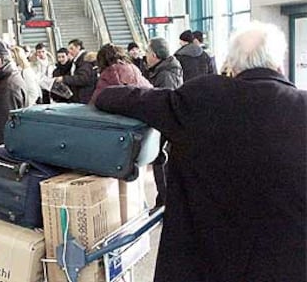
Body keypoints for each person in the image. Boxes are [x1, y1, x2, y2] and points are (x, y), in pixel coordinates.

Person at [95, 21, 306, 282]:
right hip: (288, 265)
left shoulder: (202, 97)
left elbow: (113, 98)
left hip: (203, 264)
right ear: (279, 64)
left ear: (233, 64)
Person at [144, 37, 183, 208]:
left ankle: (166, 203)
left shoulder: (165, 74)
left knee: (161, 163)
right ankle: (163, 201)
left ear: (154, 54)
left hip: (164, 127)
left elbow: (165, 101)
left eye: (147, 52)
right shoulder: (166, 69)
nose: (145, 56)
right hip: (167, 126)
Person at [55, 39, 96, 103]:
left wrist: (64, 78)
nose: (70, 52)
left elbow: (83, 78)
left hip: (84, 97)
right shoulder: (78, 60)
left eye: (72, 48)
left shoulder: (84, 60)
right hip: (80, 96)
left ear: (78, 47)